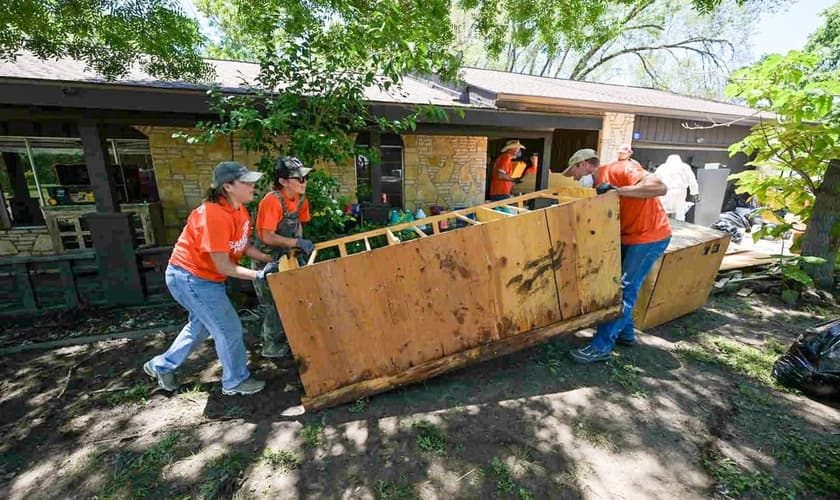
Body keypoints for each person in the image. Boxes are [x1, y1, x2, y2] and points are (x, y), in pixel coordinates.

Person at [143, 161, 277, 395]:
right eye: (246, 182)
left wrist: (268, 260)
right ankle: (235, 382)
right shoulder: (212, 215)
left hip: (204, 278)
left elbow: (242, 246)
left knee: (201, 326)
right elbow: (224, 265)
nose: (252, 185)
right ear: (228, 186)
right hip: (190, 278)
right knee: (229, 329)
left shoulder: (240, 210)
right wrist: (258, 275)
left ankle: (161, 366)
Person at [565, 147, 671, 363]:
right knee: (617, 285)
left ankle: (601, 346)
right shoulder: (598, 186)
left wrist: (617, 190)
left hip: (649, 236)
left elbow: (659, 187)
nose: (575, 180)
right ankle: (626, 333)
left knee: (624, 289)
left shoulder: (621, 168)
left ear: (584, 164)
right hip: (628, 236)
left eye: (575, 174)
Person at [252, 156, 315, 358]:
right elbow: (266, 236)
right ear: (283, 181)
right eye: (299, 178)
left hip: (288, 254)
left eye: (305, 178)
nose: (304, 182)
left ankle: (292, 337)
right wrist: (296, 243)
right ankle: (271, 345)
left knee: (295, 297)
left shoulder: (302, 199)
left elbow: (298, 223)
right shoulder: (272, 201)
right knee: (272, 304)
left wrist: (298, 243)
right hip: (267, 258)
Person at [655, 154, 699, 221]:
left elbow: (655, 179)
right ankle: (679, 227)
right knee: (679, 212)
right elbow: (692, 180)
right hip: (680, 192)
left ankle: (664, 226)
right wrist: (694, 193)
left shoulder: (663, 167)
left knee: (664, 211)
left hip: (666, 192)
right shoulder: (685, 167)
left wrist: (654, 192)